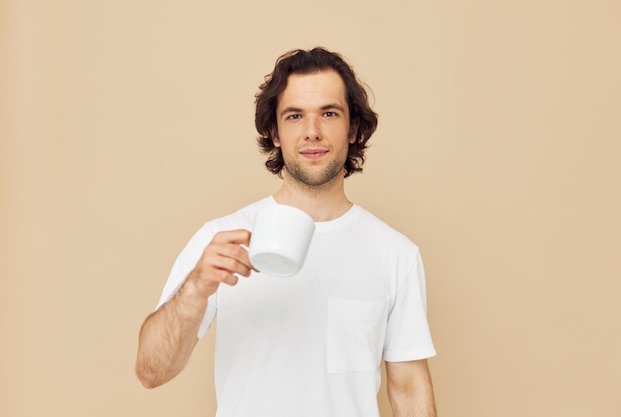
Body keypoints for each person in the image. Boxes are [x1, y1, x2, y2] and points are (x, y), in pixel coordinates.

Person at [135, 47, 437, 417]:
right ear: (274, 132)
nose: (312, 132)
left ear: (353, 128)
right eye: (295, 116)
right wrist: (196, 287)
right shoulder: (221, 240)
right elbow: (151, 371)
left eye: (329, 113)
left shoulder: (396, 254)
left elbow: (408, 388)